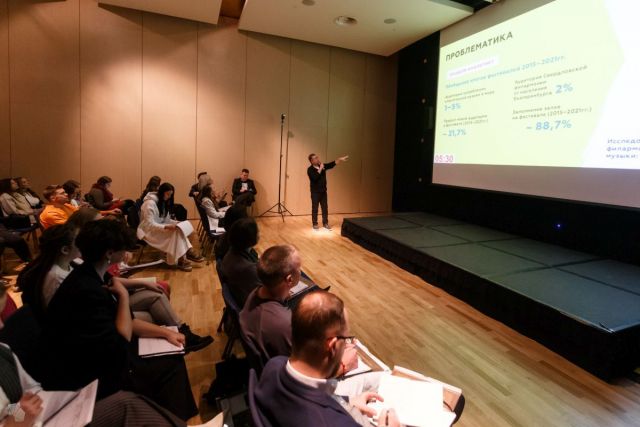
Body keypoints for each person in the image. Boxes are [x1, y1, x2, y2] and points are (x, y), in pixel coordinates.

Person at [41, 220, 198, 420]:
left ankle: (171, 420)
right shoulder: (86, 289)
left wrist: (167, 333)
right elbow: (122, 337)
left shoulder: (91, 273)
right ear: (109, 253)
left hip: (101, 354)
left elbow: (128, 322)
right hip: (89, 372)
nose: (125, 253)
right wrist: (123, 296)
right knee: (170, 366)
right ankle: (171, 420)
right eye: (122, 249)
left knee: (172, 357)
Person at [254, 291, 400, 427]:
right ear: (332, 345)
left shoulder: (273, 365)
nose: (346, 344)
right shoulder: (335, 422)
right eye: (346, 339)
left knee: (382, 378)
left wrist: (348, 403)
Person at [0, 343, 217, 427]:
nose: (2, 325)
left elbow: (31, 389)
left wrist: (19, 411)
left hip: (37, 417)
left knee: (126, 402)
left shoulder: (3, 350)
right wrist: (15, 422)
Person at [17, 224, 80, 321]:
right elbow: (64, 313)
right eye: (79, 241)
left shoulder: (70, 264)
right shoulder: (56, 277)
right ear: (65, 250)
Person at [137, 182, 203, 271]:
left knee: (178, 230)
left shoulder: (162, 202)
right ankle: (185, 254)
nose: (169, 197)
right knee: (175, 233)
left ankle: (183, 257)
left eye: (170, 195)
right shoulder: (149, 204)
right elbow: (149, 224)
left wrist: (177, 222)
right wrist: (166, 227)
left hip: (157, 228)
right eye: (168, 194)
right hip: (147, 232)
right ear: (162, 192)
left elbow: (166, 220)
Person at [220, 218, 260, 307]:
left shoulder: (231, 252)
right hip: (252, 306)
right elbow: (264, 292)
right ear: (251, 238)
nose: (259, 233)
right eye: (258, 232)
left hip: (241, 295)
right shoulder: (248, 268)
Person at [39, 185, 120, 229]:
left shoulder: (66, 205)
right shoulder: (50, 213)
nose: (66, 194)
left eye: (65, 192)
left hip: (76, 232)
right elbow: (70, 228)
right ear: (53, 198)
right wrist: (96, 220)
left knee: (113, 220)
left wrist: (108, 212)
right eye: (62, 193)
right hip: (65, 241)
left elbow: (84, 213)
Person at [307, 153, 348, 230]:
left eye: (317, 157)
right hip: (315, 192)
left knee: (325, 208)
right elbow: (315, 178)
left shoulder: (322, 166)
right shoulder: (310, 170)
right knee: (315, 209)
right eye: (315, 158)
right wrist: (320, 168)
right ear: (311, 161)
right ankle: (315, 224)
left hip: (323, 192)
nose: (317, 159)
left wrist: (339, 159)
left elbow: (331, 165)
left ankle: (325, 223)